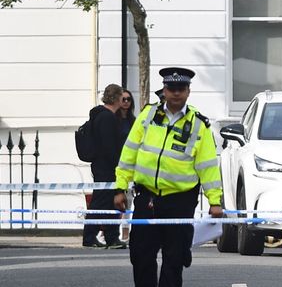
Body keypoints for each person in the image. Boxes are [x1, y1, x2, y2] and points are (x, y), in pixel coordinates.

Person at [114, 67, 223, 287]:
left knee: (175, 259)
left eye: (180, 88)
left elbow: (208, 166)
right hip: (147, 197)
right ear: (164, 90)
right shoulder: (148, 115)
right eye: (171, 88)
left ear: (188, 91)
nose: (175, 93)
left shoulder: (199, 125)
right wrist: (120, 187)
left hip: (180, 201)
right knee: (141, 255)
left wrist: (215, 201)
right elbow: (129, 152)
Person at [82, 83, 128, 249]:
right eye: (122, 97)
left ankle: (111, 236)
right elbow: (110, 146)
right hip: (107, 166)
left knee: (108, 202)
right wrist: (118, 164)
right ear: (116, 97)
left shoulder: (101, 116)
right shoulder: (107, 118)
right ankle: (90, 236)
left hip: (101, 165)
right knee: (101, 201)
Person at [116, 89, 136, 242]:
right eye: (123, 99)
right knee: (112, 198)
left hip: (130, 164)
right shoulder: (112, 120)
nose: (126, 102)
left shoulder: (134, 121)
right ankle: (107, 230)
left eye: (128, 99)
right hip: (115, 163)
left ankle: (125, 232)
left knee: (128, 200)